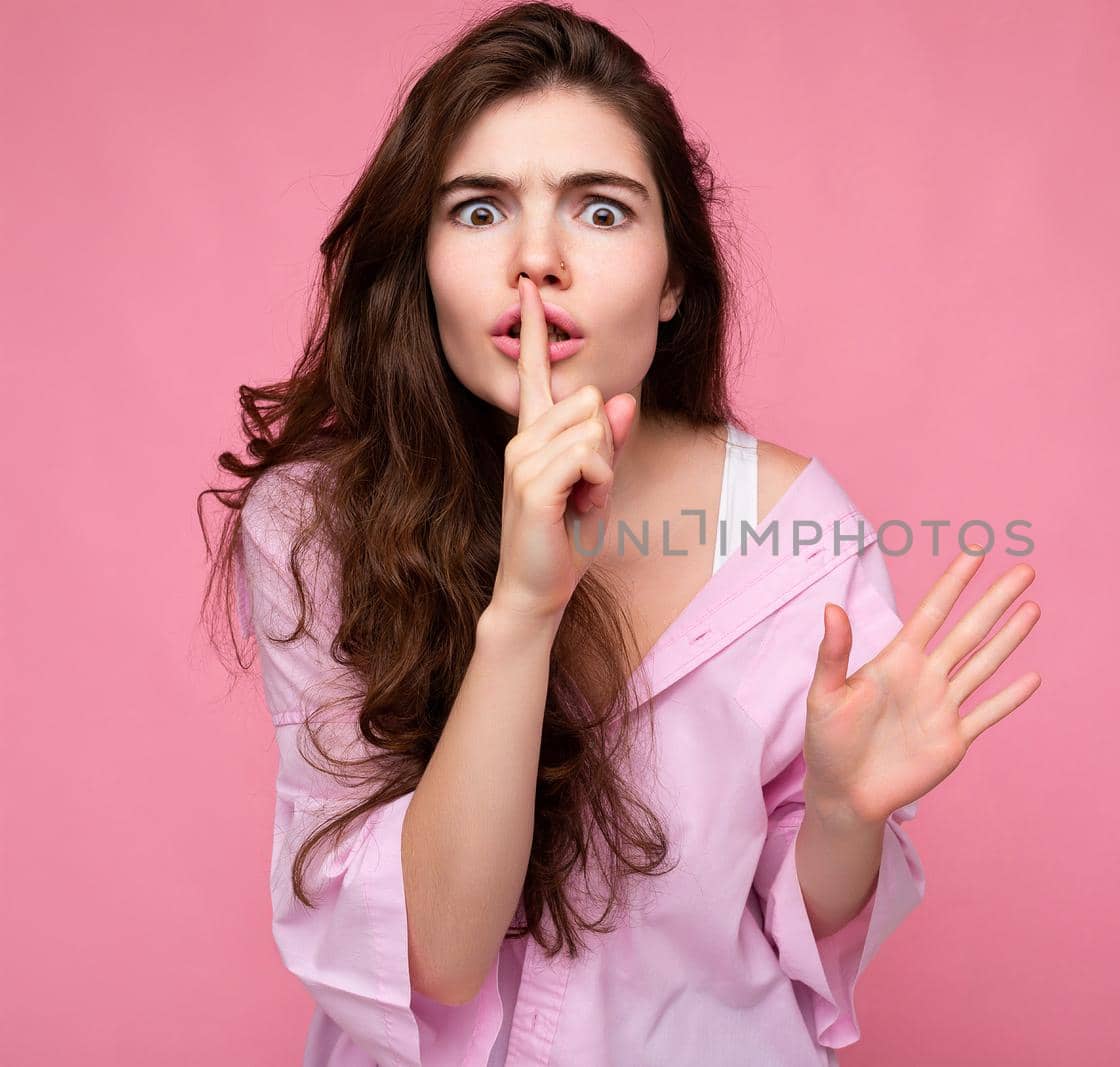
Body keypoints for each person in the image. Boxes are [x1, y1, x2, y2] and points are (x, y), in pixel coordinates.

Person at [205, 4, 1042, 1064]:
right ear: (417, 262)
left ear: (674, 279)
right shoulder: (313, 525)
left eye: (600, 212)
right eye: (478, 210)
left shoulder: (797, 531)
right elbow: (437, 956)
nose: (537, 259)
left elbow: (805, 930)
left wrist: (840, 811)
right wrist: (522, 608)